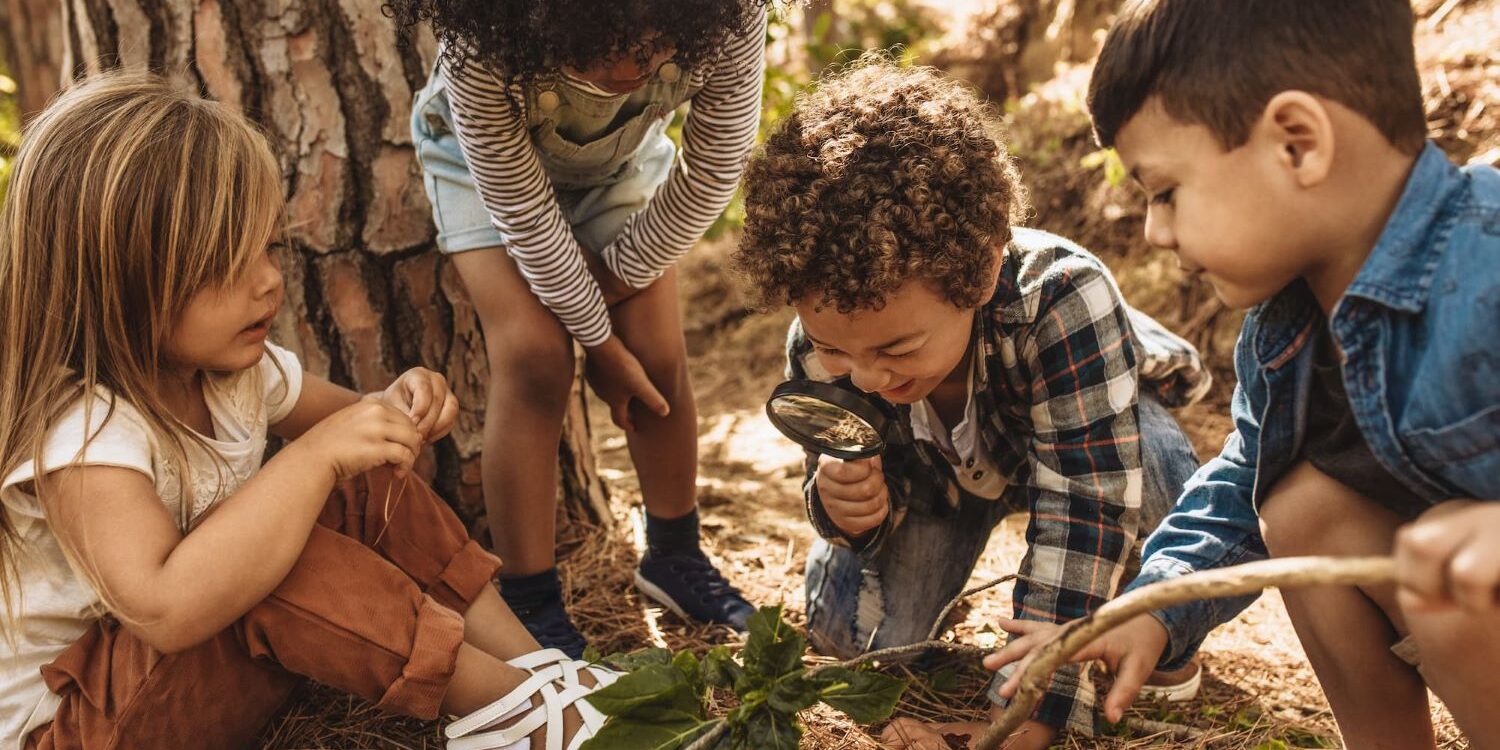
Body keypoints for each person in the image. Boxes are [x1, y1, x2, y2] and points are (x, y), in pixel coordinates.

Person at [0, 72, 618, 750]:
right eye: (225, 263)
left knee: (358, 480)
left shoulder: (234, 373)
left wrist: (401, 402)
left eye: (267, 247)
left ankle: (535, 672)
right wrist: (316, 456)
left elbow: (364, 431)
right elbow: (166, 610)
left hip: (187, 682)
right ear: (114, 282)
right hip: (80, 728)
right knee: (275, 556)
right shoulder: (85, 433)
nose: (269, 280)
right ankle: (514, 717)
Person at [987, 2, 1500, 748]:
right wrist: (1151, 610)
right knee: (1297, 507)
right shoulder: (1283, 332)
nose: (1154, 231)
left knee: (1458, 549)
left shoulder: (1485, 259)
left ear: (1297, 144)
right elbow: (1238, 489)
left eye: (1165, 192)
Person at [730, 60, 1212, 749]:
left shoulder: (1065, 298)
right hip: (941, 486)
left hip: (1079, 440)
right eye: (839, 350)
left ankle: (1159, 637)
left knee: (1159, 469)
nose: (864, 377)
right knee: (856, 642)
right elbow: (841, 480)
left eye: (897, 348)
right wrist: (845, 511)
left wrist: (1023, 719)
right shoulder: (824, 345)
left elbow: (1085, 502)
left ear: (982, 270)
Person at [384, 0, 768, 655]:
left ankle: (674, 557)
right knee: (535, 358)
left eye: (651, 46)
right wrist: (597, 340)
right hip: (484, 171)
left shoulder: (731, 14)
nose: (628, 68)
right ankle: (531, 602)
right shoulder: (482, 39)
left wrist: (615, 289)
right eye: (603, 46)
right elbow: (525, 214)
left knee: (654, 354)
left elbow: (713, 167)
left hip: (618, 166)